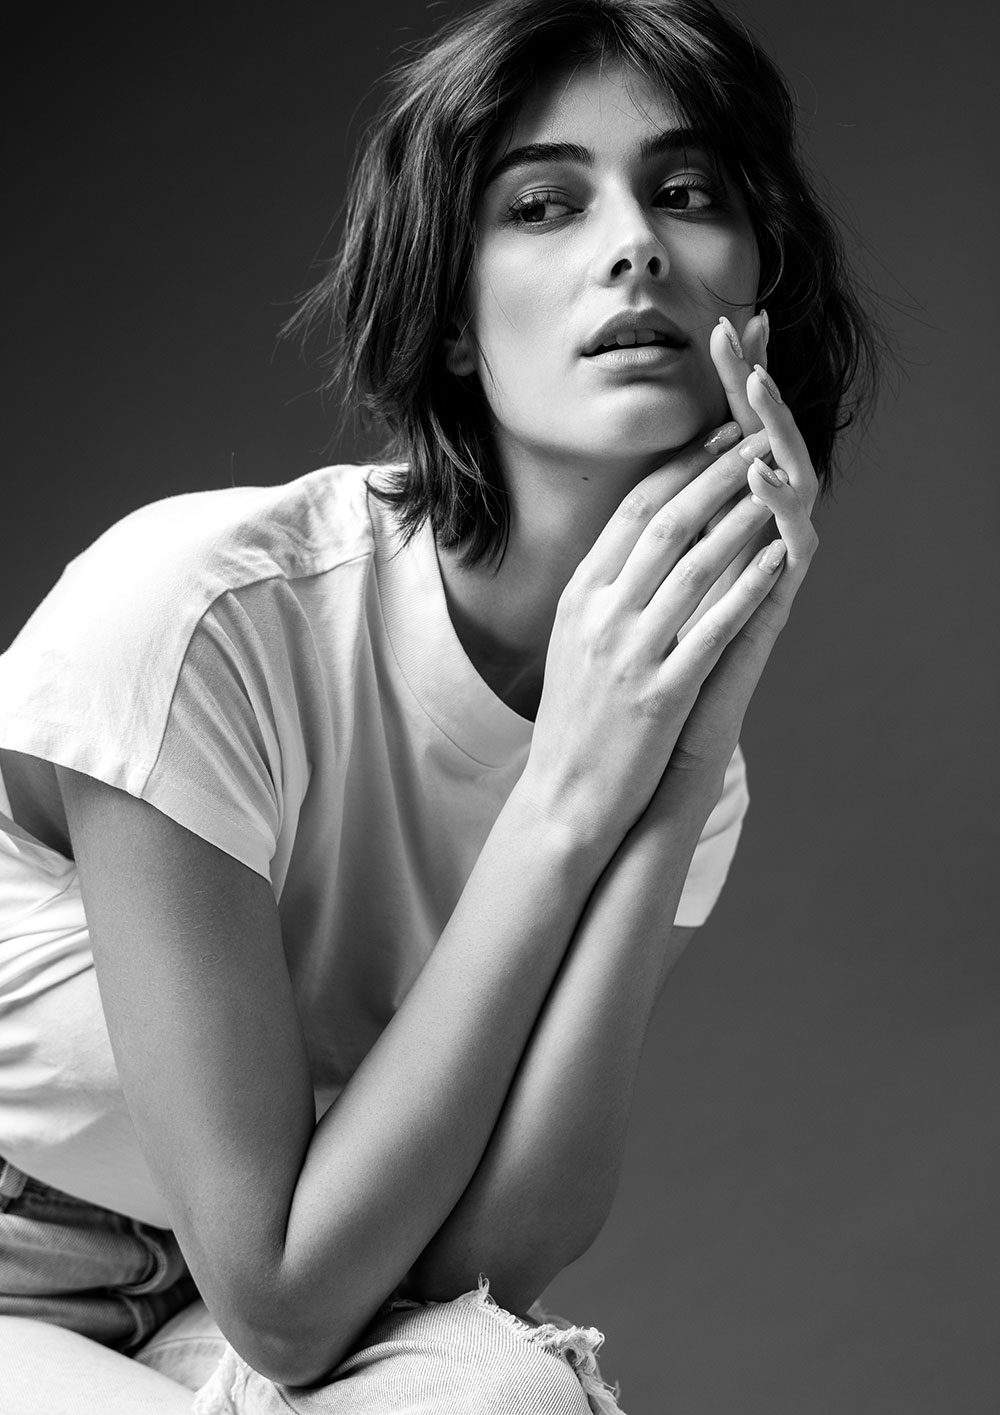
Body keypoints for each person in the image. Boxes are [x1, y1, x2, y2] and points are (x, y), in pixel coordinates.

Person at [0, 0, 881, 1410]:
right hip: (32, 1274)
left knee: (502, 1390)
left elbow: (479, 1272)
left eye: (687, 192)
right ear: (455, 322)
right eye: (543, 204)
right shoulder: (202, 613)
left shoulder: (683, 762)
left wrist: (679, 759)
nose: (636, 244)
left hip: (220, 1315)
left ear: (759, 292)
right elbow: (288, 1305)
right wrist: (567, 798)